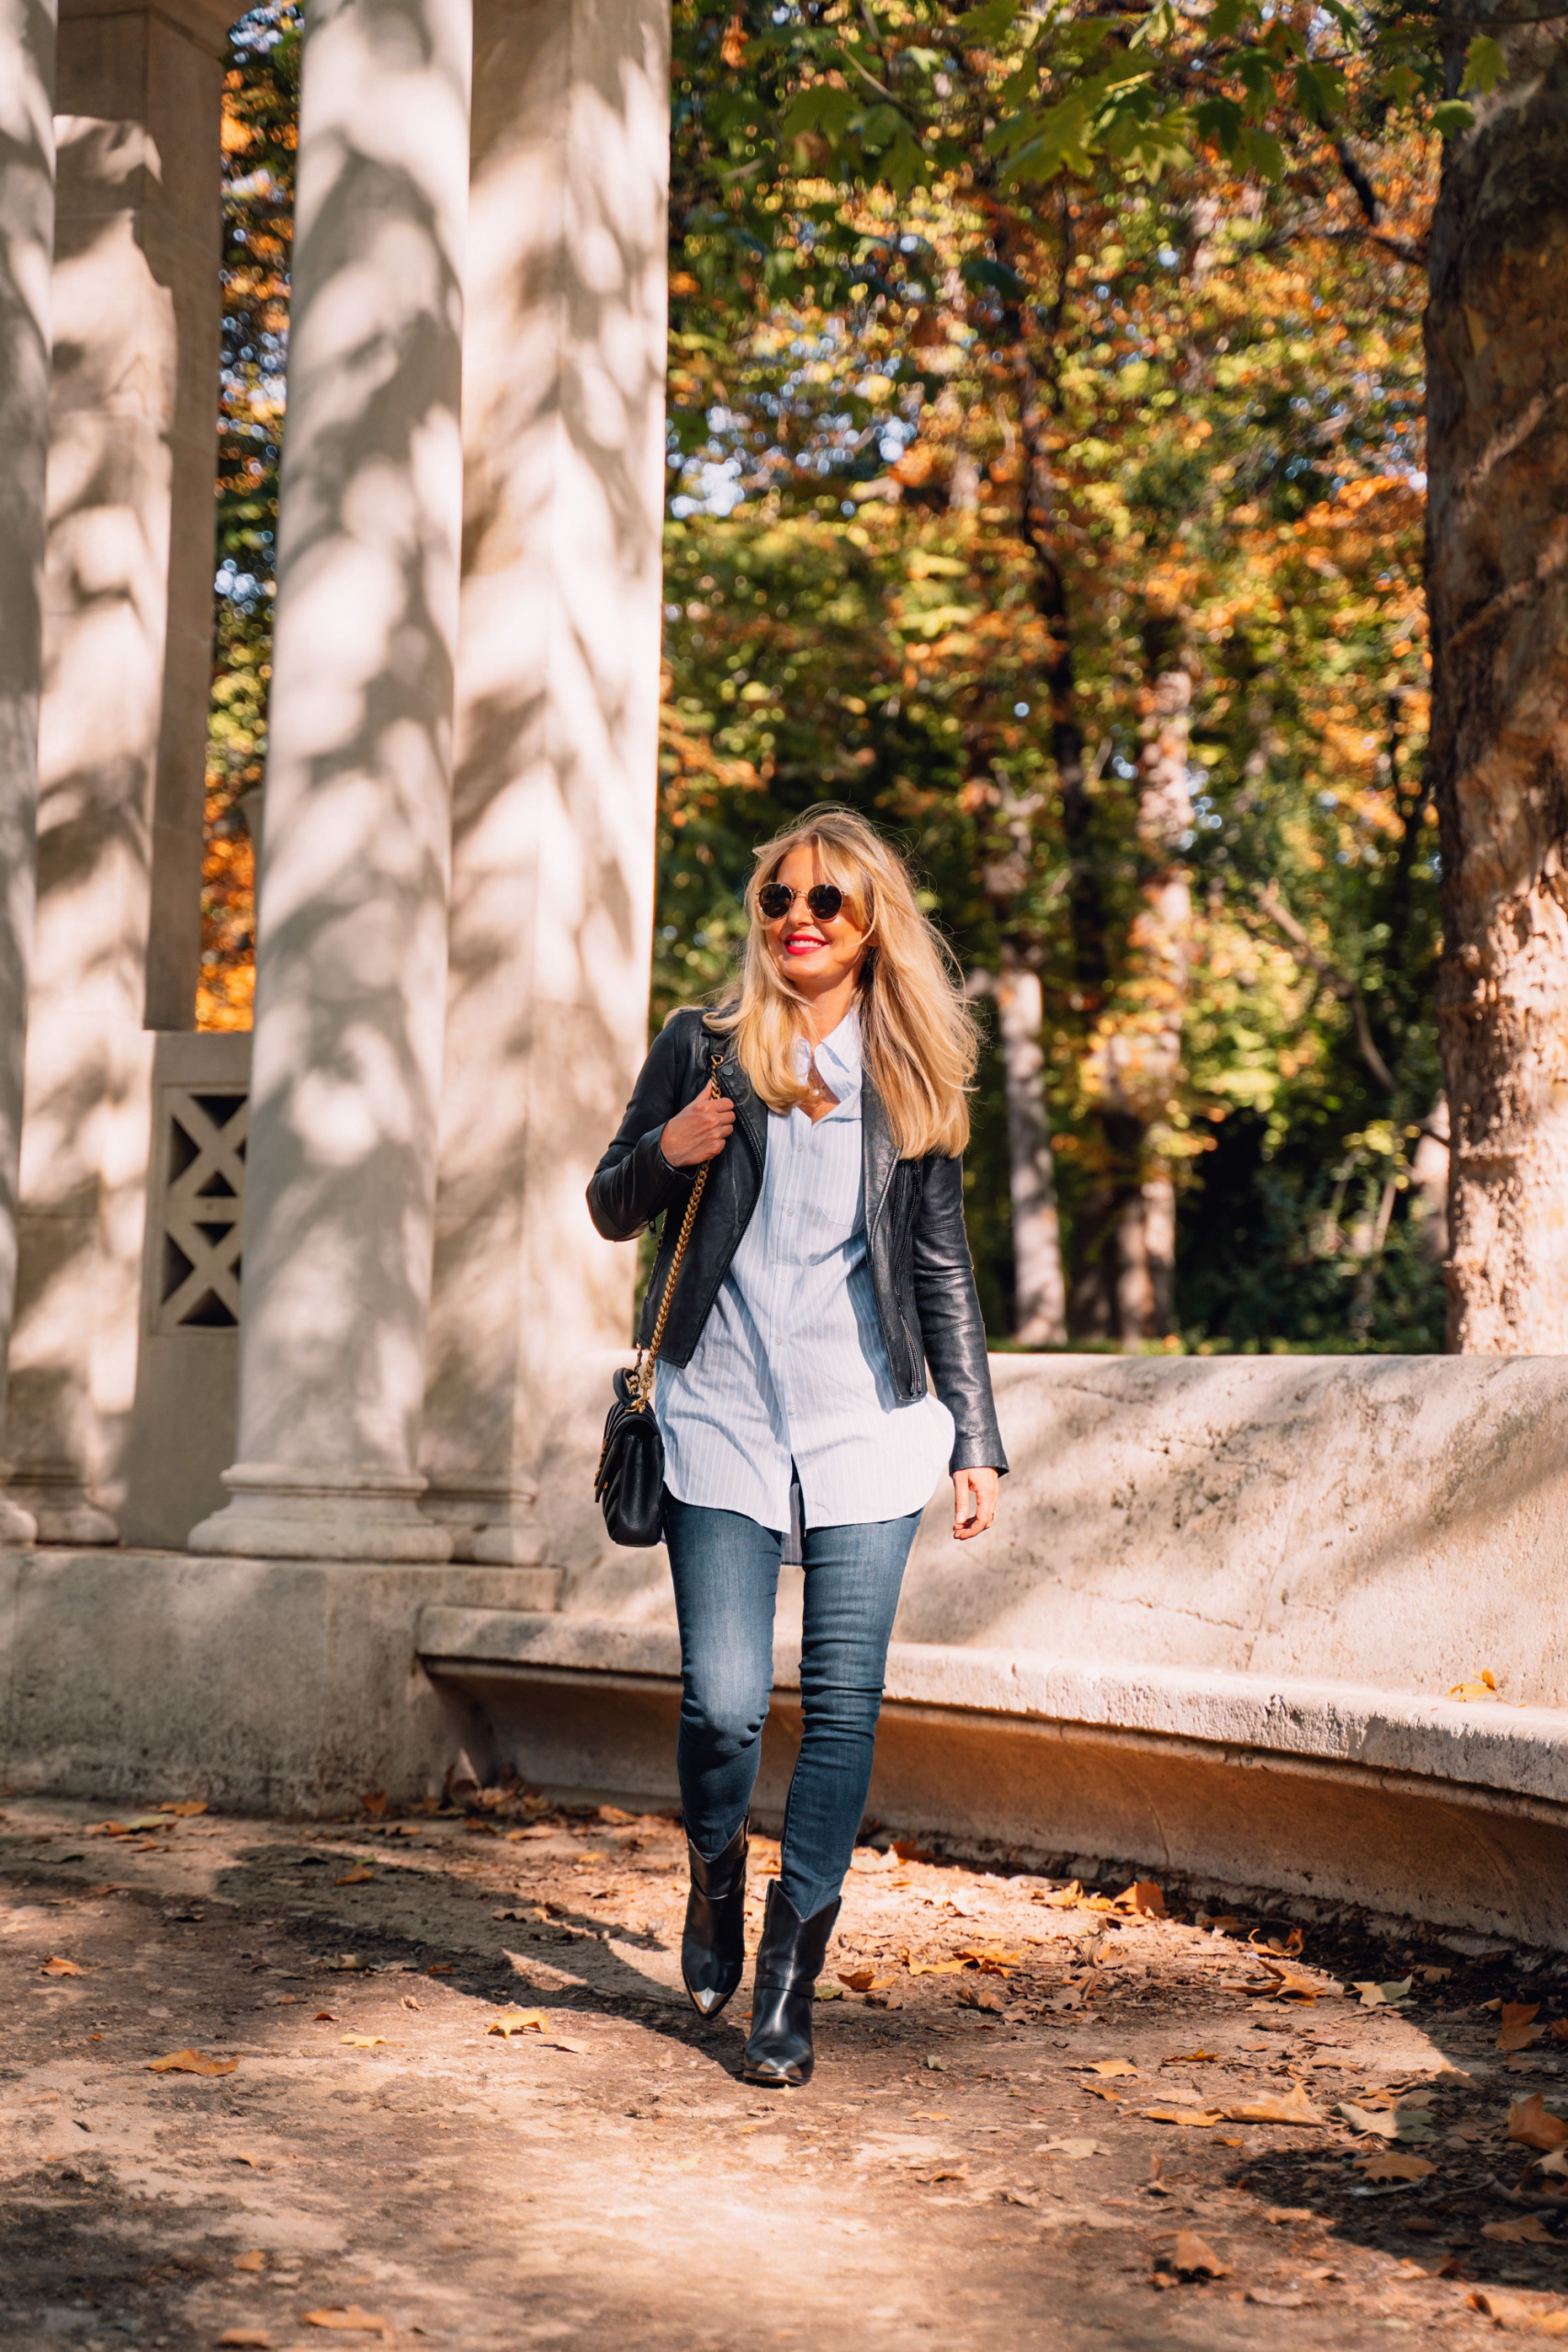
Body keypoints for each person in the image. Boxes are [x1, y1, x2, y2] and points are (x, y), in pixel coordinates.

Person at [588, 808, 1006, 2086]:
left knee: (840, 1710)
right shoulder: (704, 1048)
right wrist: (672, 1147)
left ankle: (788, 1976)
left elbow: (938, 1262)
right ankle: (715, 1879)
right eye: (778, 899)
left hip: (872, 1426)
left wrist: (974, 1441)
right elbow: (612, 1202)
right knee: (720, 1704)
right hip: (720, 1413)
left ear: (871, 920)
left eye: (826, 900)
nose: (798, 920)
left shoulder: (909, 1067)